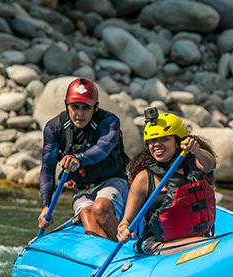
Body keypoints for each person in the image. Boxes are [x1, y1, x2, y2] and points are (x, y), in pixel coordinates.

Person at [37, 78, 129, 240]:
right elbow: (47, 168)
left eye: (86, 107)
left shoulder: (109, 122)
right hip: (83, 189)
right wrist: (46, 206)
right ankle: (106, 254)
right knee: (87, 214)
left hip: (113, 181)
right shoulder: (54, 128)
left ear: (96, 107)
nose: (79, 114)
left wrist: (78, 159)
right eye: (75, 107)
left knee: (100, 209)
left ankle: (128, 248)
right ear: (66, 105)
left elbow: (102, 149)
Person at [116, 110, 217, 254]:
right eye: (152, 141)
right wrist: (123, 230)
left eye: (164, 139)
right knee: (206, 245)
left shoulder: (195, 163)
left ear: (178, 142)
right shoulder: (144, 178)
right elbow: (126, 221)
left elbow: (210, 165)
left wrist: (196, 150)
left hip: (198, 238)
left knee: (205, 243)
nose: (156, 145)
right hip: (160, 245)